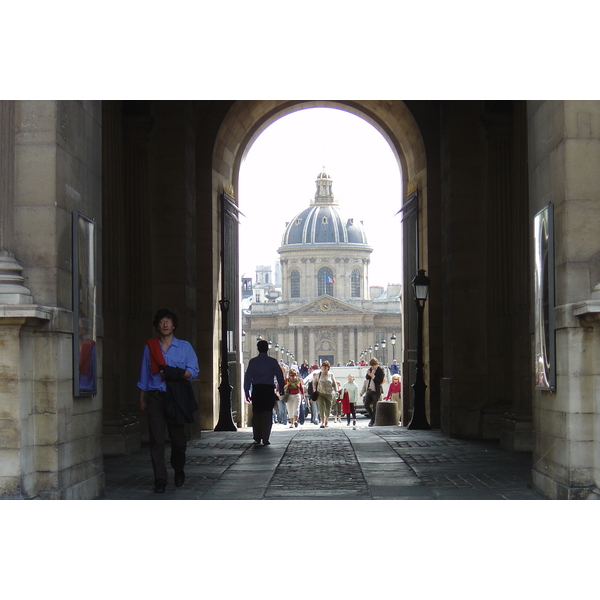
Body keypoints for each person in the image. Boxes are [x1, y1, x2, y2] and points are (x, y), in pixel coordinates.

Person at [137, 308, 199, 494]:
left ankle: (178, 468)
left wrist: (174, 373)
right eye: (162, 322)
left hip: (176, 397)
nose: (165, 325)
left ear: (174, 325)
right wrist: (142, 399)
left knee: (178, 440)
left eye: (168, 321)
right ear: (157, 325)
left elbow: (193, 371)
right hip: (155, 396)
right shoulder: (150, 347)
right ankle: (160, 479)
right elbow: (144, 375)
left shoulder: (185, 347)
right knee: (156, 439)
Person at [244, 339, 285, 446]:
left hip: (257, 390)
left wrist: (246, 391)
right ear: (267, 349)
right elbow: (280, 376)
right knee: (267, 414)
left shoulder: (253, 362)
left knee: (257, 414)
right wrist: (281, 388)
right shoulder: (272, 362)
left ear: (258, 349)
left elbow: (247, 378)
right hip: (268, 390)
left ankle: (257, 437)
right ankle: (265, 437)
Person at [360, 358, 385, 427]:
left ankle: (372, 421)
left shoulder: (381, 370)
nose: (372, 367)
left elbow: (380, 381)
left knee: (375, 407)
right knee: (366, 404)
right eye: (371, 366)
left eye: (373, 366)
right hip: (369, 389)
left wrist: (373, 376)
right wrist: (368, 374)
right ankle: (372, 417)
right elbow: (367, 378)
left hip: (376, 391)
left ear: (376, 364)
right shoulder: (370, 369)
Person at [313, 360, 337, 428]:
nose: (324, 367)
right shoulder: (318, 374)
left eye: (326, 366)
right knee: (321, 407)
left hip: (329, 393)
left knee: (328, 407)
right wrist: (314, 389)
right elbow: (314, 383)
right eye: (323, 366)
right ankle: (322, 422)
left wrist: (336, 391)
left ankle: (326, 421)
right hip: (320, 393)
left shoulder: (331, 374)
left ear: (328, 367)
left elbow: (334, 383)